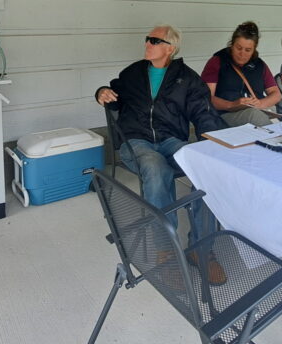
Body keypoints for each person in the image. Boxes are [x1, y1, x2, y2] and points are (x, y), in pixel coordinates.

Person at [96, 25, 227, 283]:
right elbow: (114, 96)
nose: (147, 43)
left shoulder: (187, 79)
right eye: (147, 39)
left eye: (154, 40)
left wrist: (214, 145)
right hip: (136, 141)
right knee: (156, 168)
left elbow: (203, 113)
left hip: (170, 140)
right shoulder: (132, 73)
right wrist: (101, 92)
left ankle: (201, 249)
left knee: (206, 170)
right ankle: (165, 251)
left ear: (170, 48)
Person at [201, 21, 282, 127]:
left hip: (259, 111)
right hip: (226, 114)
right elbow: (206, 97)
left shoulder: (259, 65)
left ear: (254, 49)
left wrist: (260, 103)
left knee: (262, 113)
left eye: (248, 50)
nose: (242, 53)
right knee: (253, 115)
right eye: (238, 48)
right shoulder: (217, 61)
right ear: (232, 44)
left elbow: (276, 94)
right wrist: (232, 105)